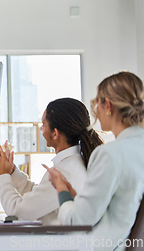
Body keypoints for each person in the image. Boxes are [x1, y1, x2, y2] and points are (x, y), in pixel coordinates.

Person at [46, 72, 144, 250]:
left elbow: (77, 222)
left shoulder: (110, 154)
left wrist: (61, 189)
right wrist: (76, 197)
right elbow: (120, 205)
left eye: (96, 102)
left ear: (107, 105)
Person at [0, 98, 103, 224]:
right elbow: (39, 199)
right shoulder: (74, 163)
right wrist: (11, 171)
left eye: (43, 125)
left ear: (55, 133)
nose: (41, 129)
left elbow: (17, 212)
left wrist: (2, 174)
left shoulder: (65, 171)